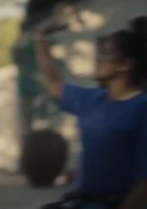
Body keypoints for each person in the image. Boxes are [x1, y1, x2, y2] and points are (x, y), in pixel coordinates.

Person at [36, 16, 147, 209]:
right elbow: (54, 84)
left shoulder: (141, 107)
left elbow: (145, 179)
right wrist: (41, 39)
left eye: (107, 53)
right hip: (81, 201)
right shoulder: (91, 99)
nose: (99, 58)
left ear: (125, 64)